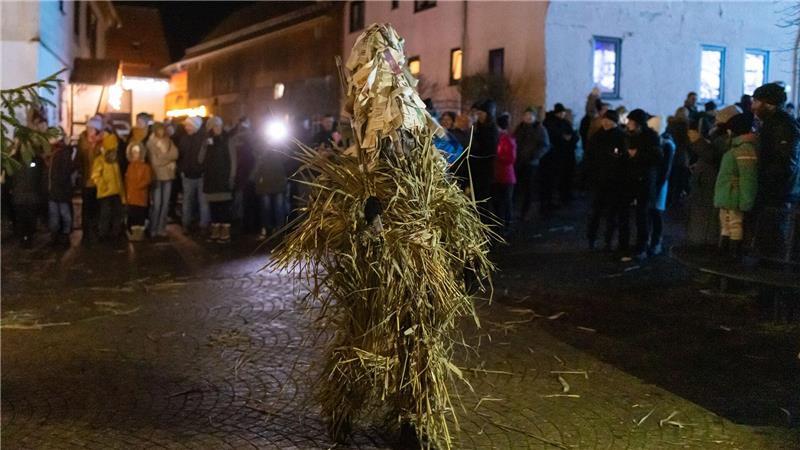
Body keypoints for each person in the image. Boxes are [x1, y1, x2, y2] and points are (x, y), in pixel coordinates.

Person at [751, 83, 800, 263]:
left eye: (756, 101)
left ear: (768, 103)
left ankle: (767, 281)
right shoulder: (774, 124)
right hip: (775, 191)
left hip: (776, 193)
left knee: (771, 238)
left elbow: (784, 162)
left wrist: (767, 185)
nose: (753, 106)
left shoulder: (781, 125)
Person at [686, 105, 740, 245]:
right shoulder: (719, 135)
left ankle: (707, 244)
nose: (715, 122)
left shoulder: (728, 138)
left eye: (718, 119)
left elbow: (714, 156)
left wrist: (698, 142)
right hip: (706, 182)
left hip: (712, 184)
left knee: (711, 218)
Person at [713, 113, 758, 261]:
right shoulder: (739, 147)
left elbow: (748, 178)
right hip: (728, 195)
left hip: (733, 196)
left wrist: (746, 202)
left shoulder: (743, 149)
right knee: (727, 225)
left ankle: (731, 258)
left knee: (734, 225)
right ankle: (724, 256)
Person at [620, 109, 661, 261]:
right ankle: (625, 244)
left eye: (631, 122)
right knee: (628, 213)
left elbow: (656, 157)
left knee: (642, 214)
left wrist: (637, 155)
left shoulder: (650, 137)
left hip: (644, 179)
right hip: (630, 179)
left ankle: (642, 245)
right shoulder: (627, 136)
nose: (628, 124)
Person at [585, 110, 626, 251]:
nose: (606, 122)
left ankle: (608, 239)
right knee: (596, 211)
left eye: (609, 120)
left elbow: (623, 157)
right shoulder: (597, 135)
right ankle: (592, 238)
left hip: (614, 180)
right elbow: (589, 156)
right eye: (604, 119)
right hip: (599, 179)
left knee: (611, 213)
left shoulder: (620, 136)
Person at [201, 116, 236, 243]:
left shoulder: (228, 139)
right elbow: (200, 160)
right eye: (213, 126)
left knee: (224, 206)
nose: (216, 128)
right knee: (214, 205)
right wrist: (205, 146)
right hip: (211, 178)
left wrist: (232, 176)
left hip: (223, 177)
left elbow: (233, 160)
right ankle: (215, 230)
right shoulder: (208, 141)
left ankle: (225, 231)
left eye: (218, 126)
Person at [513, 106, 550, 221]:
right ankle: (517, 210)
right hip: (519, 162)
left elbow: (545, 145)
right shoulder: (519, 128)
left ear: (534, 117)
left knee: (528, 188)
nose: (528, 117)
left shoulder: (539, 129)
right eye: (526, 115)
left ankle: (526, 211)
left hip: (531, 163)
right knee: (518, 187)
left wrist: (535, 156)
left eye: (530, 115)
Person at [543, 103, 578, 211]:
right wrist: (564, 138)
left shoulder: (565, 122)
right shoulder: (551, 123)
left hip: (566, 154)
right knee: (555, 178)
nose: (563, 114)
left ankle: (564, 196)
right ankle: (552, 200)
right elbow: (553, 136)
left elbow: (574, 135)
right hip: (556, 155)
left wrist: (571, 138)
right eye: (561, 112)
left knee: (565, 176)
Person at [177, 116, 210, 233]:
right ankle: (186, 224)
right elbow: (180, 156)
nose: (186, 127)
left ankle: (203, 225)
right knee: (187, 201)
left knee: (202, 202)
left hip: (201, 174)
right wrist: (181, 170)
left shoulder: (204, 139)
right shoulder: (184, 139)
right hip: (187, 174)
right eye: (186, 125)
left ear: (195, 126)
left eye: (189, 125)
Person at [146, 122, 178, 237]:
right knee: (157, 204)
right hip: (157, 177)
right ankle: (153, 228)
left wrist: (163, 158)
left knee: (165, 204)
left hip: (168, 176)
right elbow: (155, 162)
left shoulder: (169, 141)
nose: (161, 132)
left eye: (162, 129)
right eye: (158, 130)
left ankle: (161, 228)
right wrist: (168, 160)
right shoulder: (151, 143)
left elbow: (175, 154)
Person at [92, 131, 125, 242]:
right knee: (105, 213)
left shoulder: (114, 160)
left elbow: (118, 177)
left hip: (114, 191)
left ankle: (114, 233)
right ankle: (104, 233)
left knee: (115, 213)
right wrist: (103, 185)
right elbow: (96, 176)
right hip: (106, 192)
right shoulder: (101, 160)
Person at [649, 120, 676, 256]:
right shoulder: (665, 143)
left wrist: (658, 184)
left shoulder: (666, 144)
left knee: (655, 212)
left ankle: (655, 241)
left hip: (658, 182)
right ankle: (652, 240)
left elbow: (666, 168)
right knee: (653, 212)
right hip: (655, 181)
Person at [9, 146, 45, 249]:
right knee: (22, 219)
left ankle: (27, 238)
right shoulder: (15, 159)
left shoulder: (36, 160)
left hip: (30, 196)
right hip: (20, 196)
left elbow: (41, 176)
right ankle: (24, 239)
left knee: (29, 219)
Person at [251, 142, 288, 240]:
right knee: (265, 208)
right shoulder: (261, 145)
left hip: (278, 180)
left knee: (279, 208)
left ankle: (279, 229)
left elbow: (286, 158)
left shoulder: (281, 146)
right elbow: (256, 156)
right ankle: (266, 229)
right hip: (265, 181)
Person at [77, 116, 104, 244]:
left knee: (96, 208)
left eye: (92, 128)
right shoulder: (82, 141)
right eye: (88, 127)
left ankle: (95, 232)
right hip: (86, 180)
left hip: (98, 181)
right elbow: (79, 159)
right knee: (86, 208)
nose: (89, 130)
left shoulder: (102, 142)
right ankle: (86, 234)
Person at [45, 129, 74, 247]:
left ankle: (64, 236)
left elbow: (66, 171)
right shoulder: (53, 152)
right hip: (54, 190)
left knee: (63, 214)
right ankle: (56, 236)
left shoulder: (62, 152)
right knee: (55, 215)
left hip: (60, 190)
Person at [230, 117, 257, 233]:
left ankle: (240, 221)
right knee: (242, 198)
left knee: (241, 198)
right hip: (243, 172)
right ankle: (241, 221)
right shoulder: (245, 137)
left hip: (243, 172)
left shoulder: (237, 137)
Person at [471, 100, 499, 213]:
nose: (479, 116)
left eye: (482, 114)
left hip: (485, 168)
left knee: (483, 197)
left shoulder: (491, 129)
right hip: (476, 167)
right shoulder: (477, 127)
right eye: (478, 114)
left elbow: (489, 149)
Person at [493, 113, 517, 234]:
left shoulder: (505, 139)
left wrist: (496, 157)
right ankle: (501, 225)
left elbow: (510, 158)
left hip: (506, 176)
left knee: (506, 202)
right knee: (500, 202)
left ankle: (507, 225)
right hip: (500, 175)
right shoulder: (505, 138)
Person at [124, 143, 152, 241]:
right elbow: (127, 181)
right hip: (132, 198)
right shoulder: (130, 166)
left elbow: (147, 180)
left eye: (137, 152)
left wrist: (137, 187)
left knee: (140, 217)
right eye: (133, 152)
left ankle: (139, 235)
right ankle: (133, 235)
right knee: (132, 217)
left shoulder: (145, 167)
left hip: (140, 197)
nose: (135, 154)